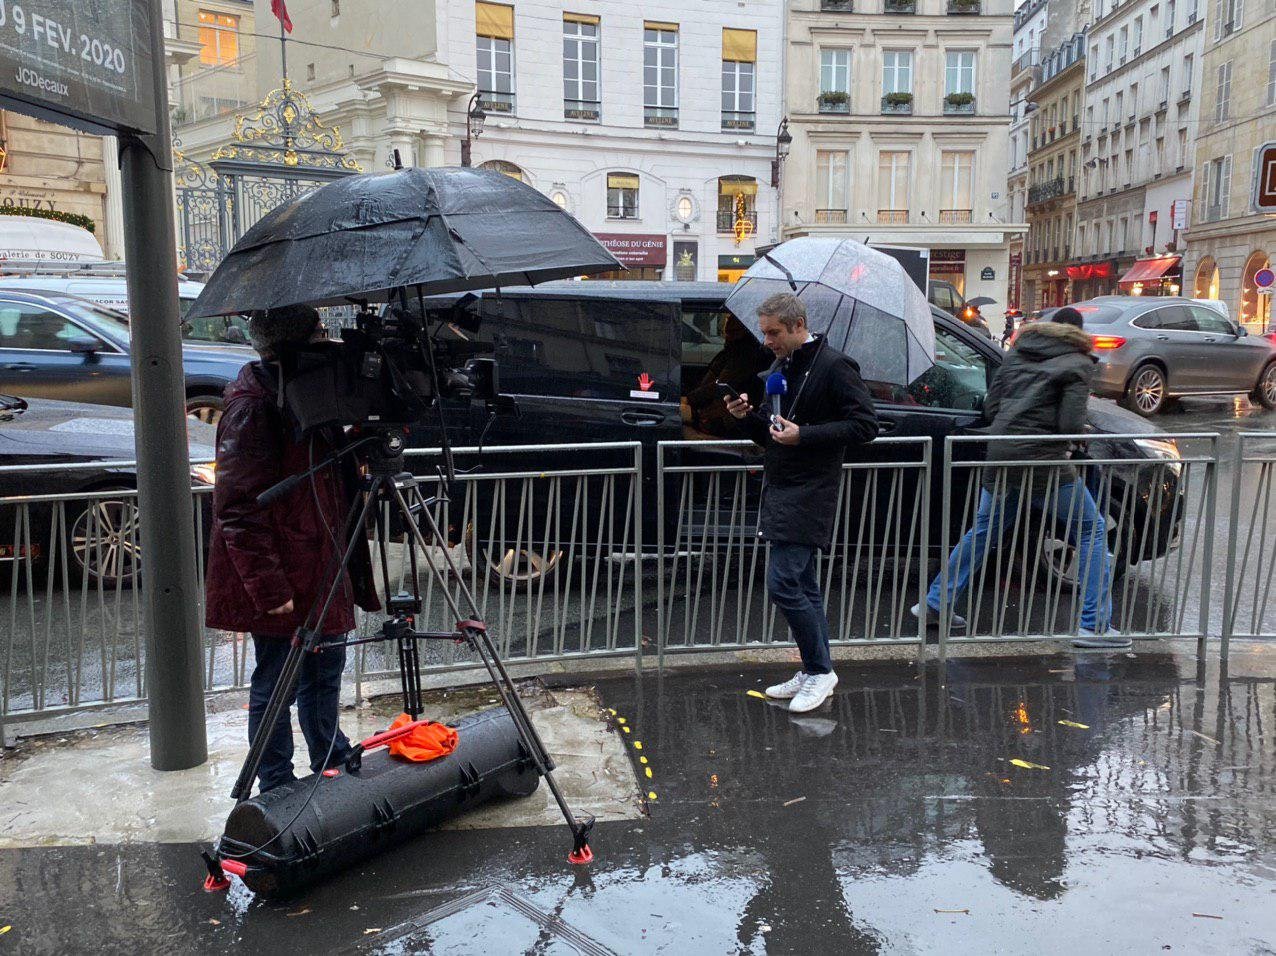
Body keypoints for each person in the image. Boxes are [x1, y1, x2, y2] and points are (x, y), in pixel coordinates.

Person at [205, 304, 381, 793]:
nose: (328, 341)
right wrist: (268, 588)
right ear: (293, 345)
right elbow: (237, 507)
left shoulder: (304, 392)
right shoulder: (254, 405)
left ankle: (329, 754)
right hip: (285, 572)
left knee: (325, 671)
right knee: (276, 685)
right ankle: (276, 780)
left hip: (321, 561)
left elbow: (328, 471)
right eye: (320, 332)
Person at [912, 306, 1125, 649]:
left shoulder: (1018, 354)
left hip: (1000, 454)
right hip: (1043, 462)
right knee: (1091, 529)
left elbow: (991, 408)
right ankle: (1094, 625)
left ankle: (935, 603)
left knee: (983, 532)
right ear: (1079, 335)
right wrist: (1081, 431)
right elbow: (1069, 425)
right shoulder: (1079, 363)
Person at [725, 293, 878, 712]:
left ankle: (820, 672)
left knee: (784, 583)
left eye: (773, 332)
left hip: (811, 490)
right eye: (765, 332)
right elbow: (776, 433)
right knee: (803, 584)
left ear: (797, 325)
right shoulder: (782, 366)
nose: (767, 340)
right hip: (783, 485)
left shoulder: (834, 365)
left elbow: (866, 424)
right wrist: (747, 417)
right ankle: (815, 668)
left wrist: (804, 435)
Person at [682, 315, 771, 437]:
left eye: (734, 320)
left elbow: (721, 384)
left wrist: (691, 404)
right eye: (728, 318)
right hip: (719, 412)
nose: (727, 323)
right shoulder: (731, 349)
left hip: (729, 417)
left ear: (745, 327)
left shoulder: (745, 354)